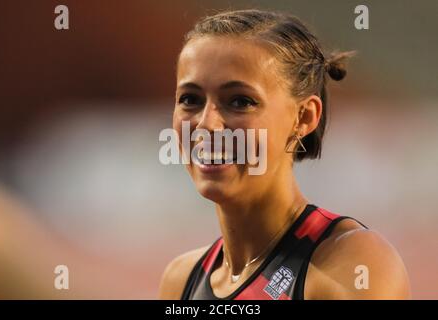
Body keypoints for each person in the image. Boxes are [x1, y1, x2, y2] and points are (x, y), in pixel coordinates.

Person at [159, 9, 411, 300]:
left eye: (240, 101)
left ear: (304, 117)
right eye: (190, 99)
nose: (206, 125)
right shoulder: (180, 281)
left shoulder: (351, 265)